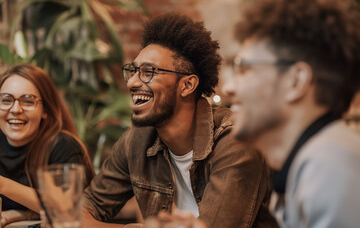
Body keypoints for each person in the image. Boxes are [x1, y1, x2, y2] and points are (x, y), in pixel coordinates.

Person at [82, 12, 278, 228]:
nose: (132, 83)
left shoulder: (234, 141)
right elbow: (79, 212)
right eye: (133, 71)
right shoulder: (136, 141)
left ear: (187, 85)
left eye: (148, 72)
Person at [222, 0, 360, 228]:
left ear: (295, 81)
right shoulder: (311, 163)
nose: (229, 88)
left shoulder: (328, 167)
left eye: (243, 68)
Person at [0, 64, 95, 226]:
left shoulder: (63, 146)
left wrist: (3, 185)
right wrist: (19, 214)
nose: (15, 109)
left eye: (28, 101)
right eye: (6, 100)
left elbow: (69, 209)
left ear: (45, 110)